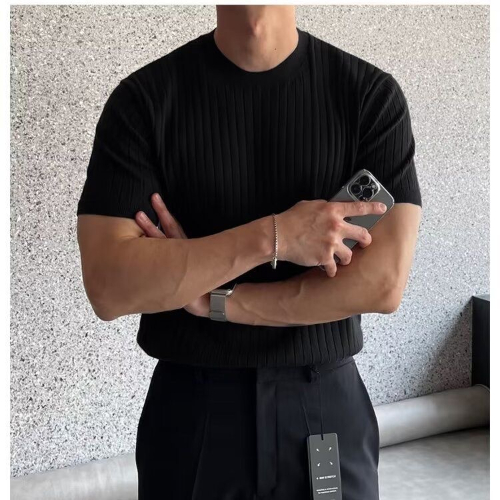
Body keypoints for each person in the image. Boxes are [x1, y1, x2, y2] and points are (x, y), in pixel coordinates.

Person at [76, 5, 422, 500]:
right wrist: (276, 235)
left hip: (322, 407)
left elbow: (382, 283)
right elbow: (110, 287)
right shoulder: (143, 101)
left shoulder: (369, 97)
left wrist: (216, 300)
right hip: (192, 413)